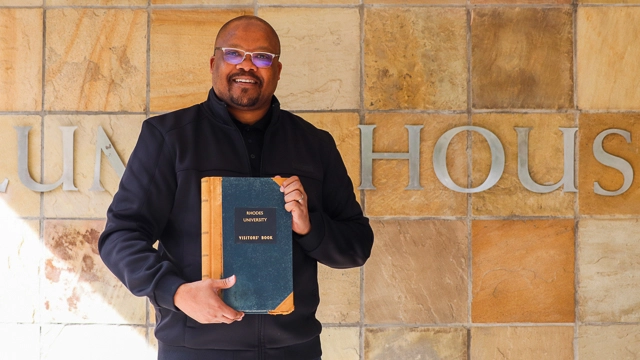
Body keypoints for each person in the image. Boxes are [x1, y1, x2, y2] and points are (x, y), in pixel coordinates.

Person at [98, 15, 374, 360]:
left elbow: (357, 245)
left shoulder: (314, 145)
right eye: (234, 53)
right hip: (196, 349)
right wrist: (176, 292)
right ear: (214, 63)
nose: (247, 64)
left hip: (293, 349)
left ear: (277, 69)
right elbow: (120, 236)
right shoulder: (169, 138)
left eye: (261, 57)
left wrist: (309, 226)